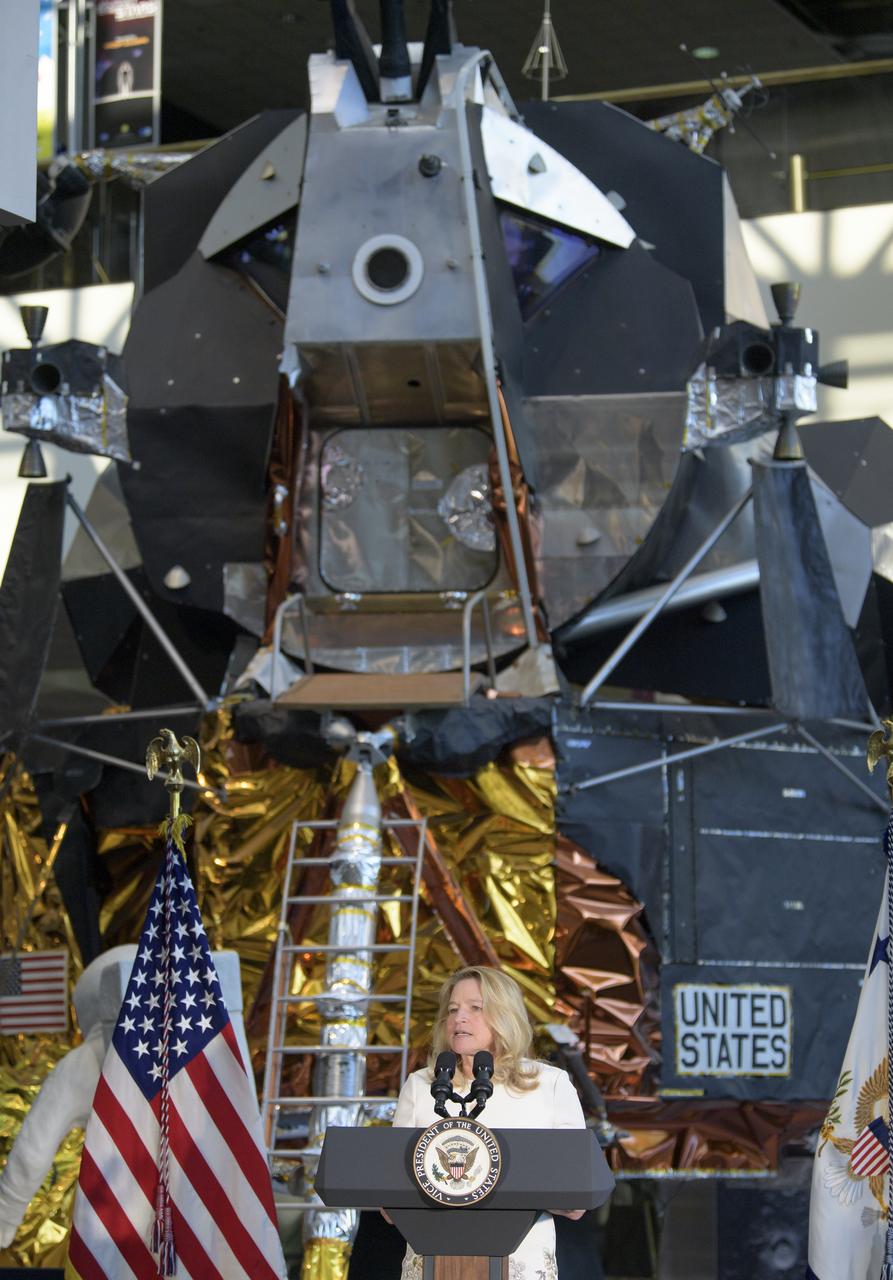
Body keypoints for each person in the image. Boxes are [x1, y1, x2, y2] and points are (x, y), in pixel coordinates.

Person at [391, 965, 587, 1280]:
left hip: (518, 1265)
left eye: (475, 1008)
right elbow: (391, 1194)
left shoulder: (549, 1084)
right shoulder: (421, 1085)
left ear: (505, 1016)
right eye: (452, 1009)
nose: (459, 1018)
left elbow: (576, 1198)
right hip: (433, 1264)